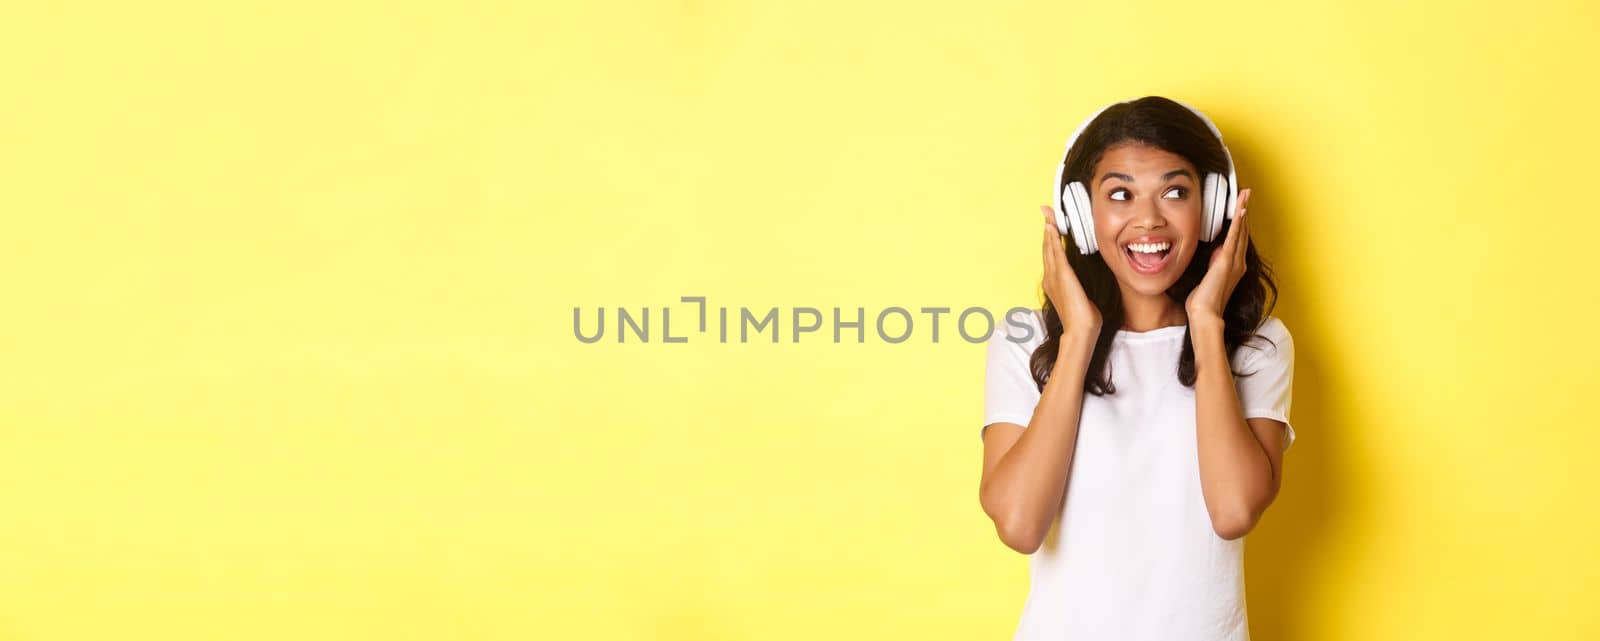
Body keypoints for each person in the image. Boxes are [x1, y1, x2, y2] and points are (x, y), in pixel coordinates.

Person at [978, 96, 1296, 641]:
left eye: (1176, 192)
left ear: (1214, 208)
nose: (1149, 219)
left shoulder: (1258, 345)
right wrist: (1079, 334)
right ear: (1081, 214)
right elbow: (1020, 524)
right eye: (1119, 194)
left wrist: (1205, 320)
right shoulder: (1024, 340)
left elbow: (1234, 510)